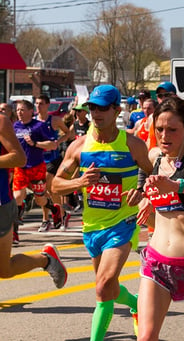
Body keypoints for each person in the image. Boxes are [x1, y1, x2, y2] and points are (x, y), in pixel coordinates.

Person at [51, 85, 153, 340]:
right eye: (92, 107)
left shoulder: (132, 144)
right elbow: (55, 184)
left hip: (123, 223)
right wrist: (79, 183)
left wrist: (142, 193)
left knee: (104, 285)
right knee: (107, 287)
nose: (96, 113)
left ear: (116, 110)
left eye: (103, 108)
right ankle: (136, 304)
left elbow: (154, 175)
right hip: (92, 227)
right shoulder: (79, 146)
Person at [136, 96, 184, 340]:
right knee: (146, 336)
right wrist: (144, 195)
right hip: (156, 263)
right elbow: (146, 174)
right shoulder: (155, 157)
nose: (164, 136)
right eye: (159, 129)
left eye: (172, 130)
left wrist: (180, 186)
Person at [0, 113, 67, 288]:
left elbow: (19, 158)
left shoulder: (1, 122)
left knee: (4, 270)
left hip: (1, 204)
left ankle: (45, 260)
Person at [12, 100, 60, 237]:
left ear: (30, 111)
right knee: (17, 198)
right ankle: (15, 232)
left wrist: (35, 143)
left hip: (37, 167)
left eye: (22, 110)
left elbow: (53, 144)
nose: (19, 113)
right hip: (20, 167)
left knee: (40, 199)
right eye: (17, 110)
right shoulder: (15, 126)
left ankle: (53, 209)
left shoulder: (39, 126)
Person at [34, 94, 72, 231]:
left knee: (48, 188)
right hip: (38, 159)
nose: (38, 106)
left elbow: (68, 133)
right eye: (36, 103)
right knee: (42, 191)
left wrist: (58, 142)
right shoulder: (33, 121)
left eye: (41, 103)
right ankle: (59, 215)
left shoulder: (54, 120)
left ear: (47, 105)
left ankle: (50, 219)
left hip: (52, 159)